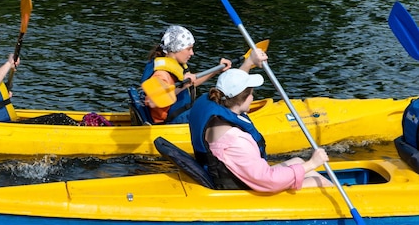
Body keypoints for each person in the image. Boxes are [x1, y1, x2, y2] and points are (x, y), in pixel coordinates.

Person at [188, 68, 334, 192]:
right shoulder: (237, 140)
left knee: (297, 160)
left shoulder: (218, 117)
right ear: (243, 99)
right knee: (321, 182)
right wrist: (312, 163)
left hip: (236, 173)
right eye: (251, 94)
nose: (253, 97)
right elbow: (268, 180)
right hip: (244, 186)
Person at [141, 25, 264, 124]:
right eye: (188, 49)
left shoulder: (173, 63)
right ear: (175, 49)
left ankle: (248, 64)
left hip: (179, 115)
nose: (192, 53)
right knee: (217, 106)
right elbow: (152, 101)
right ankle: (248, 65)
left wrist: (216, 70)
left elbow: (191, 82)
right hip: (172, 121)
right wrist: (184, 86)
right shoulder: (161, 74)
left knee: (212, 102)